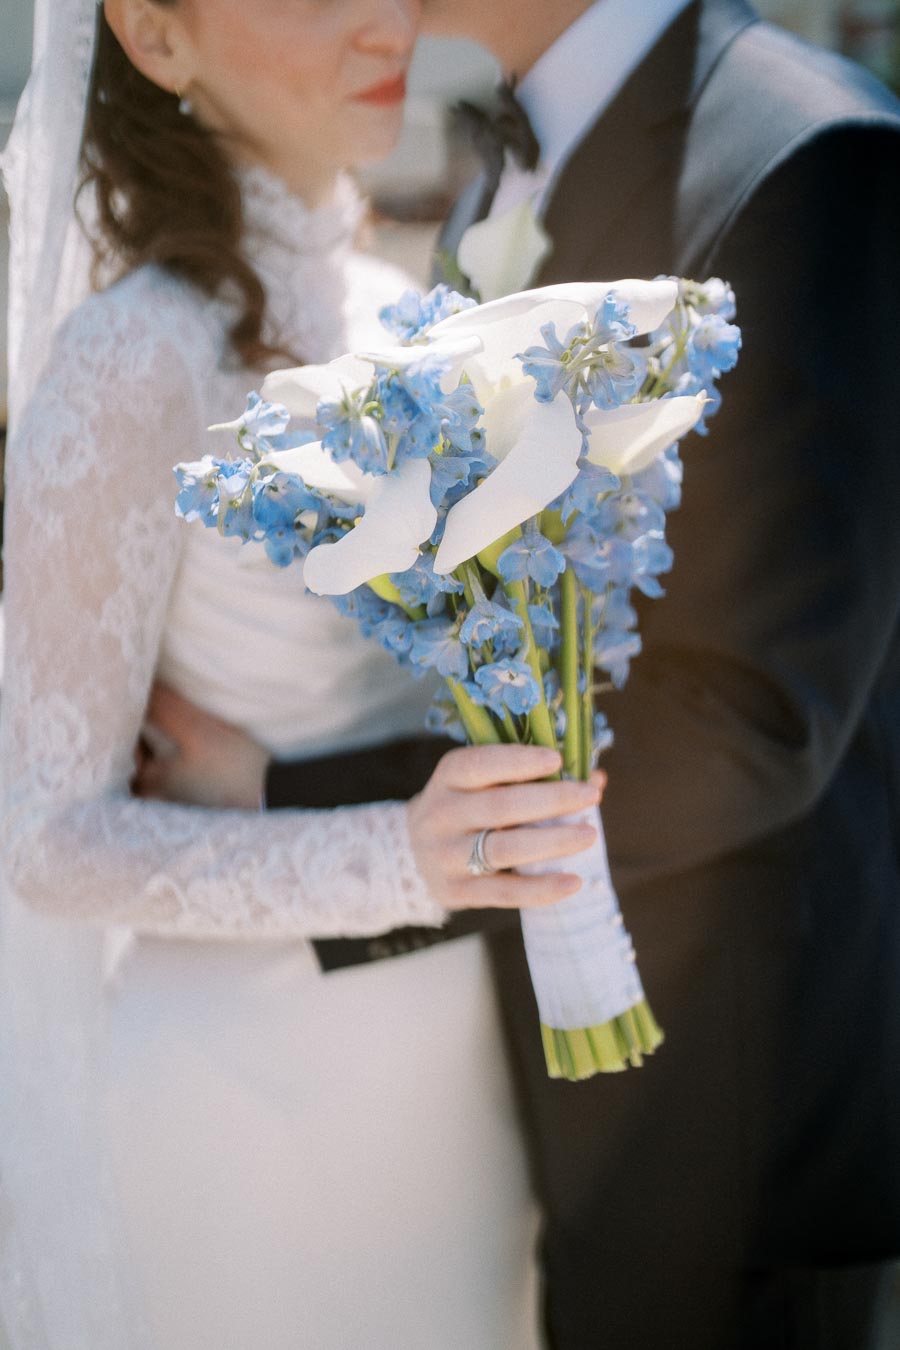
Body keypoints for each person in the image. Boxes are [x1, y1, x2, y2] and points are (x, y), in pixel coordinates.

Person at [143, 1, 900, 1347]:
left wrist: (303, 796)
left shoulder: (806, 158)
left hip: (719, 1141)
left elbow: (747, 725)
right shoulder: (499, 165)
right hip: (509, 1104)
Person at [0, 2, 609, 1347]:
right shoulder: (132, 360)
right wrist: (402, 855)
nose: (377, 16)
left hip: (465, 1081)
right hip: (247, 1099)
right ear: (159, 40)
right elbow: (41, 837)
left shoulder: (418, 316)